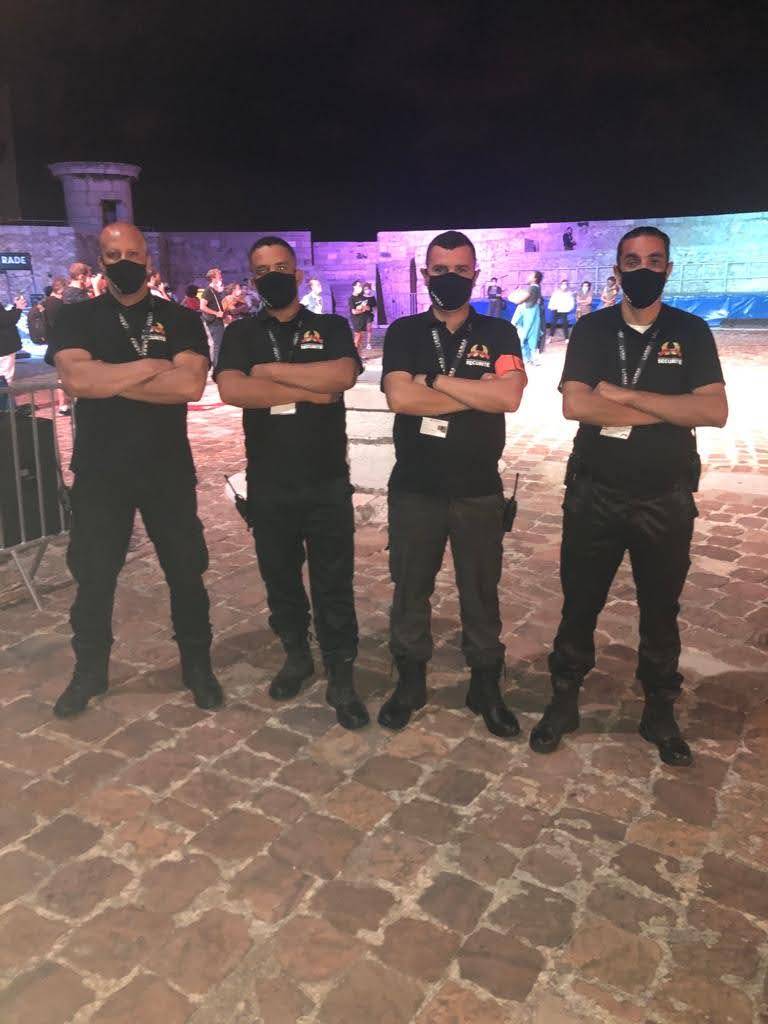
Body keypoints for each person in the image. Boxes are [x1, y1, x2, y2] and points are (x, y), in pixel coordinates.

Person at [531, 226, 728, 768]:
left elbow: (713, 411)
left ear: (668, 268)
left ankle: (659, 710)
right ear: (617, 270)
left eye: (654, 260)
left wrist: (622, 395)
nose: (643, 269)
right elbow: (576, 406)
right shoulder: (593, 329)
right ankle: (564, 698)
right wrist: (668, 408)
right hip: (594, 491)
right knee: (580, 602)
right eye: (633, 261)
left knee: (661, 608)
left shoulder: (690, 331)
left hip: (665, 497)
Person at [46, 222, 222, 718]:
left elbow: (188, 386)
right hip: (101, 471)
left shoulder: (180, 318)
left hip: (167, 469)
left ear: (147, 258)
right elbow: (77, 380)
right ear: (100, 261)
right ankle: (89, 672)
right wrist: (151, 366)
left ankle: (197, 667)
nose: (123, 262)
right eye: (112, 255)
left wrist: (108, 377)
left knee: (186, 572)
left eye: (132, 254)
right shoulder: (77, 317)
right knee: (94, 576)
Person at [216, 236, 368, 731]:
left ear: (298, 274)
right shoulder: (241, 332)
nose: (273, 276)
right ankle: (297, 655)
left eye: (281, 267)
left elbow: (340, 377)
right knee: (280, 578)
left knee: (333, 582)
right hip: (269, 483)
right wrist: (309, 386)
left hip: (326, 480)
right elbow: (232, 388)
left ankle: (341, 671)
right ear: (253, 279)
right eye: (263, 270)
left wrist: (268, 373)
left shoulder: (331, 326)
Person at [379, 230, 527, 737]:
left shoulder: (499, 332)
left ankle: (485, 684)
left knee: (481, 591)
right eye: (440, 270)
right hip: (415, 486)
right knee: (410, 588)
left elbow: (509, 397)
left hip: (478, 487)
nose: (450, 278)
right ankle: (410, 680)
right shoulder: (404, 332)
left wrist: (434, 381)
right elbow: (400, 399)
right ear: (426, 275)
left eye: (461, 270)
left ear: (475, 275)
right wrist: (474, 393)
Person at [511, 271, 543, 365]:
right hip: (530, 313)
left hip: (530, 314)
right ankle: (529, 358)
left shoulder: (533, 288)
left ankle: (530, 358)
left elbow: (519, 300)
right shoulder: (536, 288)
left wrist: (514, 295)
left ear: (535, 279)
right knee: (530, 335)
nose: (528, 277)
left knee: (526, 335)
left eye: (530, 276)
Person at [0, 295, 26, 401]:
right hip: (4, 346)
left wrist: (16, 307)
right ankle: (5, 406)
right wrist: (18, 308)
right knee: (5, 376)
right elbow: (5, 320)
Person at [200, 268, 226, 365]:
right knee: (217, 345)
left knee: (219, 344)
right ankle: (216, 366)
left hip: (218, 321)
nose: (221, 277)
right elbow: (202, 306)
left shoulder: (215, 291)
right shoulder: (208, 291)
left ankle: (217, 365)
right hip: (214, 322)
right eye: (219, 275)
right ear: (213, 278)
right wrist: (216, 313)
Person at [348, 281, 369, 351]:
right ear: (354, 287)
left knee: (361, 338)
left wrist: (364, 307)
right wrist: (362, 310)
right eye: (359, 285)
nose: (360, 287)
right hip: (356, 320)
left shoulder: (362, 297)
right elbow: (354, 312)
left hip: (363, 319)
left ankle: (359, 354)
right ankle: (354, 354)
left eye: (361, 286)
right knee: (357, 337)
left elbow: (368, 307)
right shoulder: (351, 299)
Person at [362, 282, 377, 349]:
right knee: (361, 329)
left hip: (369, 315)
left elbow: (375, 307)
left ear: (370, 289)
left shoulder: (372, 297)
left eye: (368, 289)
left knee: (369, 329)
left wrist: (371, 309)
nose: (367, 290)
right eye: (365, 289)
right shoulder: (361, 297)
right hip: (361, 314)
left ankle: (368, 343)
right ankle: (360, 342)